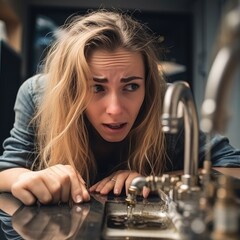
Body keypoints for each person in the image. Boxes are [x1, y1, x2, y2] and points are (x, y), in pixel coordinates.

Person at [0, 10, 239, 206]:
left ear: (148, 85)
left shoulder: (165, 102)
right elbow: (6, 171)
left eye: (131, 86)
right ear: (72, 89)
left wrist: (154, 181)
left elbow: (233, 168)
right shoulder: (37, 94)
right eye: (97, 88)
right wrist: (26, 178)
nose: (115, 109)